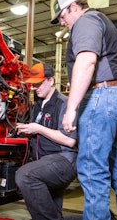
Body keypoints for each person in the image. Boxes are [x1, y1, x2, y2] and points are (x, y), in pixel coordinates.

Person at [51, 0, 117, 220]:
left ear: (73, 7)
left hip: (103, 97)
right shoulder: (103, 21)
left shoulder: (86, 21)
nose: (62, 22)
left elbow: (86, 61)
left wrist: (71, 108)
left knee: (92, 170)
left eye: (62, 16)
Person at [15, 62, 78, 220]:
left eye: (39, 84)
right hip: (45, 161)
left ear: (51, 81)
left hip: (63, 160)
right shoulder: (37, 106)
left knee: (25, 175)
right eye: (33, 85)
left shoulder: (64, 104)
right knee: (53, 210)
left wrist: (38, 128)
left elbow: (69, 140)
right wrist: (25, 130)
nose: (35, 88)